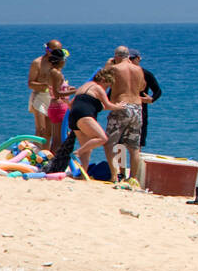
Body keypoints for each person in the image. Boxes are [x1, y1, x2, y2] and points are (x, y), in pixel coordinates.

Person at [67, 69, 127, 175]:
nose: (106, 89)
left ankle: (83, 173)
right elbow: (108, 105)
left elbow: (71, 105)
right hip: (84, 115)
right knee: (102, 138)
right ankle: (78, 152)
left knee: (87, 148)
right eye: (107, 86)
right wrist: (119, 107)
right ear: (103, 80)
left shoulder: (83, 87)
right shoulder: (98, 87)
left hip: (73, 117)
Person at [103, 47, 148, 186]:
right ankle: (132, 178)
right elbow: (142, 87)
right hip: (137, 107)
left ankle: (114, 175)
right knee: (133, 146)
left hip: (121, 106)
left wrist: (107, 66)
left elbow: (103, 82)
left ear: (116, 56)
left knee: (110, 142)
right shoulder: (138, 69)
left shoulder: (115, 69)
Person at [26, 40, 65, 140]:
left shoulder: (57, 62)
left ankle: (46, 154)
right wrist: (45, 85)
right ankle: (37, 152)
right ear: (47, 50)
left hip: (51, 98)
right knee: (41, 131)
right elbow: (30, 83)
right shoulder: (37, 63)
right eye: (55, 51)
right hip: (39, 97)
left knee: (48, 133)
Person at [44, 48, 76, 152]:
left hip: (53, 106)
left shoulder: (51, 72)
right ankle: (54, 164)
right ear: (61, 61)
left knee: (57, 138)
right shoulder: (56, 73)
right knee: (60, 139)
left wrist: (67, 88)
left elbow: (54, 89)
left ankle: (53, 162)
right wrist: (75, 91)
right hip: (59, 107)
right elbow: (57, 93)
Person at [129, 51, 161, 149]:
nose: (129, 62)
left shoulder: (146, 74)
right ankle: (119, 164)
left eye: (131, 59)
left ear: (138, 59)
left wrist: (151, 99)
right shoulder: (121, 73)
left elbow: (158, 91)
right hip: (123, 109)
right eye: (127, 59)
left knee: (138, 142)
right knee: (119, 141)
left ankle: (135, 163)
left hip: (141, 109)